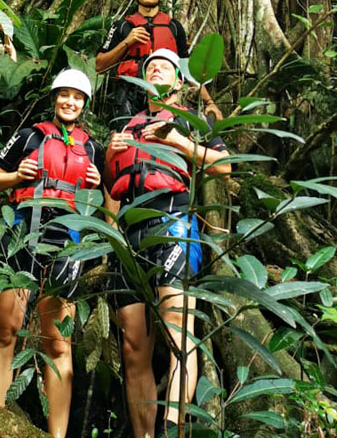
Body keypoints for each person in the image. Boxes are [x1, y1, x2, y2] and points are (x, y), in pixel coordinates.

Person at [104, 49, 231, 438]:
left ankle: (172, 430)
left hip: (174, 223)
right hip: (130, 233)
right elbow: (112, 189)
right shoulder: (129, 127)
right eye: (150, 67)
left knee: (179, 335)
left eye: (164, 67)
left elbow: (223, 166)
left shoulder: (192, 122)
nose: (155, 69)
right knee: (132, 347)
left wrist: (178, 140)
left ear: (179, 81)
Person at [0, 68, 105, 438]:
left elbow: (107, 203)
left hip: (66, 239)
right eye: (64, 95)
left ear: (84, 104)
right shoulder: (29, 137)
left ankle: (57, 434)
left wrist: (97, 188)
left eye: (77, 97)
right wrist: (18, 175)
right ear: (54, 98)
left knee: (58, 342)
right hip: (23, 232)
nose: (70, 102)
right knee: (5, 331)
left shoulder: (92, 147)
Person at [96, 0, 223, 127]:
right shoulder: (122, 26)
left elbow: (187, 68)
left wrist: (209, 102)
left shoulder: (174, 27)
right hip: (128, 95)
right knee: (125, 139)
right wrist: (127, 42)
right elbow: (99, 65)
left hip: (165, 94)